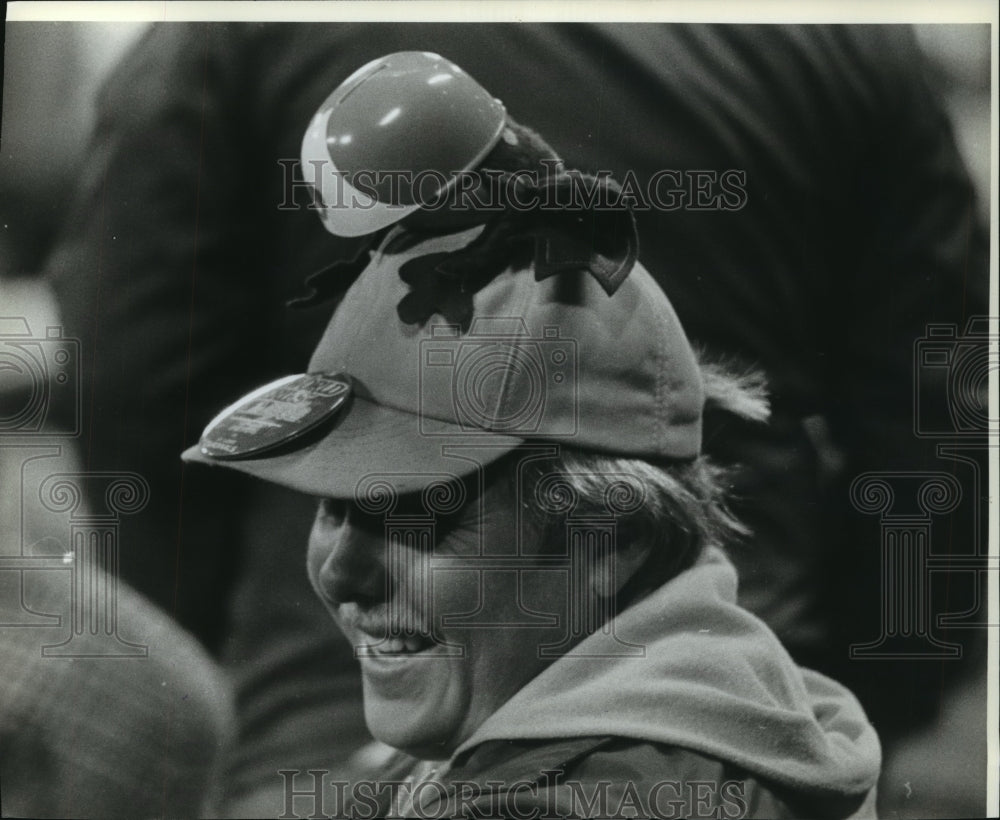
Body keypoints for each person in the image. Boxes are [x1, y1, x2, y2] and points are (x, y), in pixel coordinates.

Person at [43, 22, 986, 814]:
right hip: (717, 671)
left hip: (369, 712)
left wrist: (227, 680)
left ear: (612, 528)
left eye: (411, 512)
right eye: (332, 510)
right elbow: (934, 446)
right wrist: (801, 714)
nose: (341, 561)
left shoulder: (236, 30)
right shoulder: (847, 41)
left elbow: (132, 372)